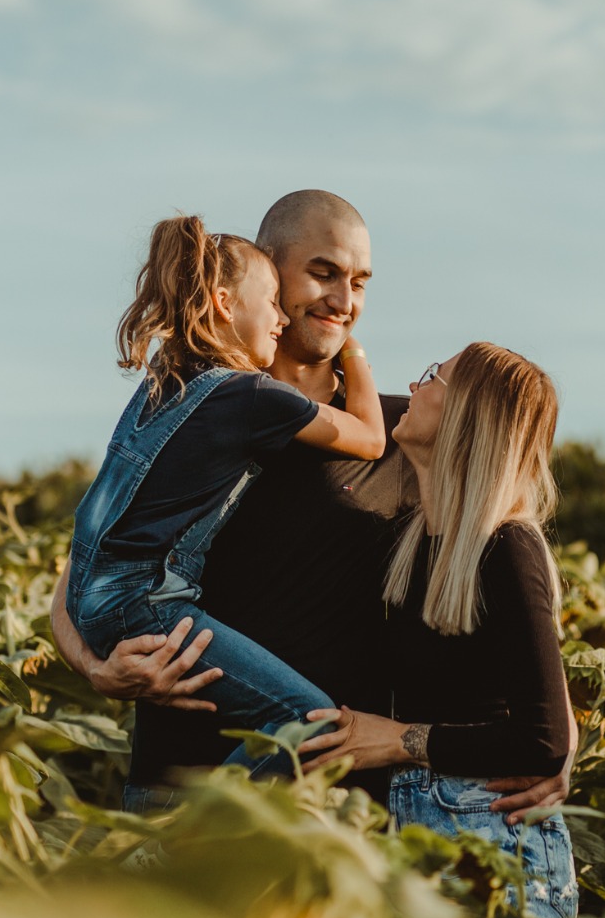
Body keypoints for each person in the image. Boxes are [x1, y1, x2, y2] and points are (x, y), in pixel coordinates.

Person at [54, 192, 572, 822]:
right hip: (179, 781)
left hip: (339, 800)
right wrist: (95, 667)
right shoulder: (195, 410)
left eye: (359, 283)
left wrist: (557, 746)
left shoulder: (405, 429)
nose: (344, 301)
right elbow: (87, 563)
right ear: (267, 272)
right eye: (323, 273)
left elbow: (514, 549)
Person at [57, 212, 386, 776]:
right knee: (310, 724)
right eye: (279, 299)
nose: (283, 319)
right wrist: (353, 352)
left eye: (358, 283)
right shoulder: (253, 398)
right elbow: (370, 439)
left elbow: (92, 554)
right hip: (154, 632)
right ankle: (205, 830)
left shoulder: (167, 380)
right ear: (228, 302)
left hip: (104, 599)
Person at [295, 343, 579, 918]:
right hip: (420, 842)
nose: (412, 386)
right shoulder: (417, 541)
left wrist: (395, 739)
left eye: (432, 378)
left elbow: (544, 739)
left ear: (464, 418)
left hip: (493, 849)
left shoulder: (506, 546)